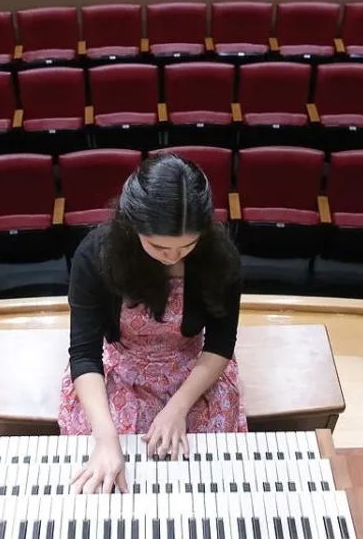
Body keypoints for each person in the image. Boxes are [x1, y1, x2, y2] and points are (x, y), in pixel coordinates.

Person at [58, 152, 246, 494]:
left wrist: (178, 407)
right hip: (122, 369)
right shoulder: (96, 254)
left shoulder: (220, 257)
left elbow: (220, 345)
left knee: (203, 479)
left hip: (191, 371)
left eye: (187, 245)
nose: (173, 257)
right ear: (133, 225)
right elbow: (84, 354)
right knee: (108, 467)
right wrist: (105, 438)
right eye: (159, 246)